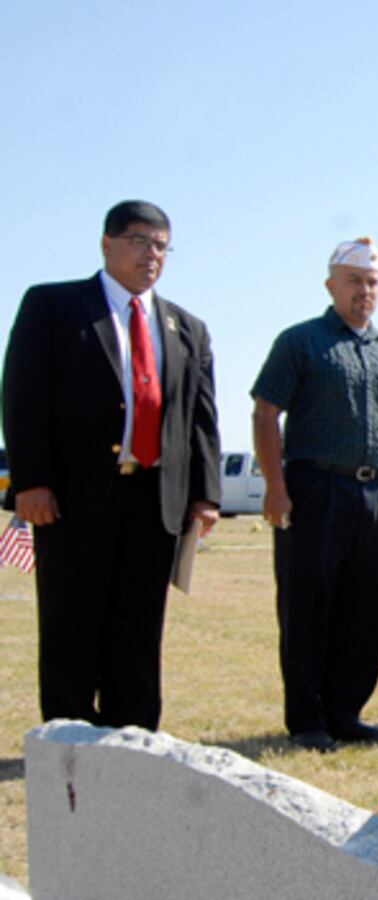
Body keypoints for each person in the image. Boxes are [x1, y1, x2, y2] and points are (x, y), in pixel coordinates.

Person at [2, 200, 221, 731]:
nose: (152, 255)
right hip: (73, 501)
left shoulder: (185, 326)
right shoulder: (54, 306)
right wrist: (30, 481)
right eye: (140, 241)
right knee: (71, 624)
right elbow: (22, 394)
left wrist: (205, 494)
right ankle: (69, 740)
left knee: (139, 629)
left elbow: (200, 418)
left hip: (155, 503)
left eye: (162, 245)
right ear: (107, 244)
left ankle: (134, 738)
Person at [250, 237, 378, 752]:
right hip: (313, 487)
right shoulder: (300, 342)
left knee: (367, 605)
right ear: (331, 285)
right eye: (353, 281)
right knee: (308, 603)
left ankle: (346, 711)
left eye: (371, 282)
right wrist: (275, 488)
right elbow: (264, 413)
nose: (363, 291)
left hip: (376, 493)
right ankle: (306, 718)